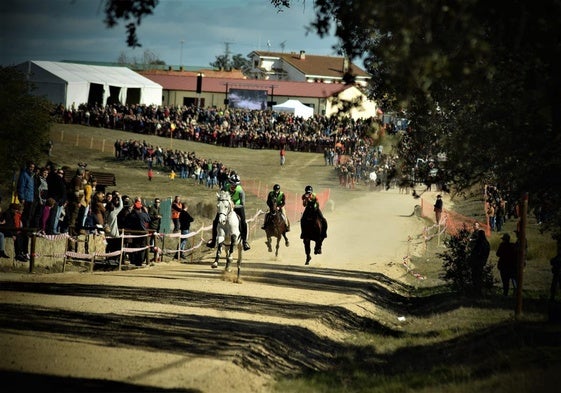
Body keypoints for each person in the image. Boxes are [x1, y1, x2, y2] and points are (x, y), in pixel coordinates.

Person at [207, 172, 251, 251]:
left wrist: (234, 206)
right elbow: (220, 196)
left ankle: (244, 241)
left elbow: (243, 204)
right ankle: (213, 241)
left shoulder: (240, 191)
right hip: (225, 207)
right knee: (215, 221)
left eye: (235, 185)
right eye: (232, 184)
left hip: (237, 207)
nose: (233, 186)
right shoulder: (225, 187)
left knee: (243, 222)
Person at [468, 229, 490, 295]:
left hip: (477, 262)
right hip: (481, 262)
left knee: (476, 277)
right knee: (478, 276)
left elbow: (476, 253)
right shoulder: (486, 243)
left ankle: (477, 290)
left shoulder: (481, 243)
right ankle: (477, 290)